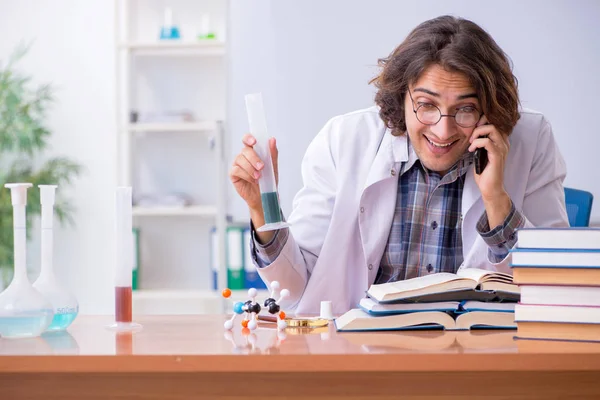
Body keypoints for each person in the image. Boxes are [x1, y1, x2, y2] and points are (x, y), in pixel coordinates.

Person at [229, 15, 569, 315]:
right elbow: (296, 286)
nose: (443, 129)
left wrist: (496, 199)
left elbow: (555, 287)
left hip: (477, 357)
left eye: (465, 109)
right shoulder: (344, 140)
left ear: (488, 109)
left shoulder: (530, 139)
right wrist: (263, 210)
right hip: (366, 353)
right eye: (426, 104)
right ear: (400, 96)